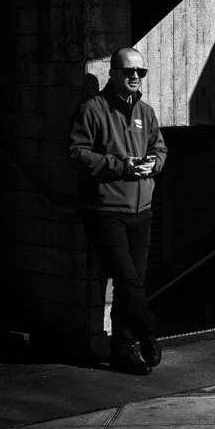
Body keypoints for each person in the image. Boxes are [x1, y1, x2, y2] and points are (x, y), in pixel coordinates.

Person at [68, 47, 168, 375]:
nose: (136, 77)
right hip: (107, 209)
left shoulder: (147, 112)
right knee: (126, 278)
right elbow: (77, 154)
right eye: (129, 72)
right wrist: (122, 166)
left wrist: (154, 162)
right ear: (113, 73)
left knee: (133, 280)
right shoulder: (93, 110)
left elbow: (160, 147)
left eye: (141, 72)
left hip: (142, 209)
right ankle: (149, 331)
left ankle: (122, 349)